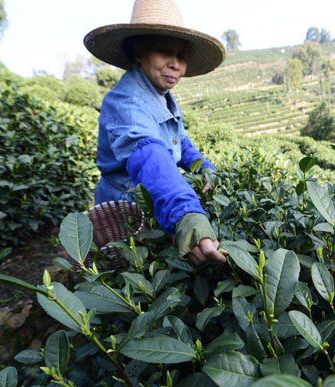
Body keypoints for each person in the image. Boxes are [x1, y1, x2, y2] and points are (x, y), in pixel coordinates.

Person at [83, 0, 227, 266]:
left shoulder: (163, 96)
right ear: (138, 52)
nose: (174, 64)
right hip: (124, 209)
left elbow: (179, 140)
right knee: (125, 274)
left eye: (181, 55)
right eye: (163, 51)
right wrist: (188, 217)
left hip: (154, 197)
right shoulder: (126, 103)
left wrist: (203, 167)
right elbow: (149, 155)